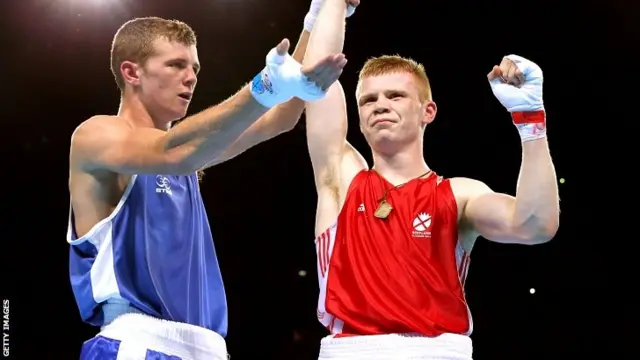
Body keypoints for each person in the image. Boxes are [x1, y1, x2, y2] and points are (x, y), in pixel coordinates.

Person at [65, 1, 355, 358]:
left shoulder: (189, 157)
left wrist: (318, 16)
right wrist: (265, 86)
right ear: (131, 72)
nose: (191, 77)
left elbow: (281, 116)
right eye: (176, 64)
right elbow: (172, 152)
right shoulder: (96, 136)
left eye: (195, 68)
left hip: (206, 348)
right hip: (137, 343)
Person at [303, 1, 560, 359]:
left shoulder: (458, 194)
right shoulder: (341, 179)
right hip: (352, 349)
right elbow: (318, 83)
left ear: (428, 111)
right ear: (358, 117)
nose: (380, 105)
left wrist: (530, 120)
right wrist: (332, 4)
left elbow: (535, 226)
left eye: (395, 96)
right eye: (368, 100)